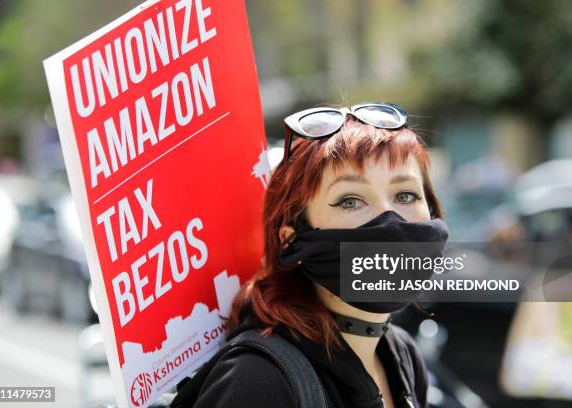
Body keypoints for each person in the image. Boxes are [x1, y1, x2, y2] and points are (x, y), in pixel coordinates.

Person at [171, 103, 449, 408]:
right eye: (350, 201)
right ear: (292, 239)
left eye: (406, 195)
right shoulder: (257, 379)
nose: (390, 218)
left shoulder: (403, 357)